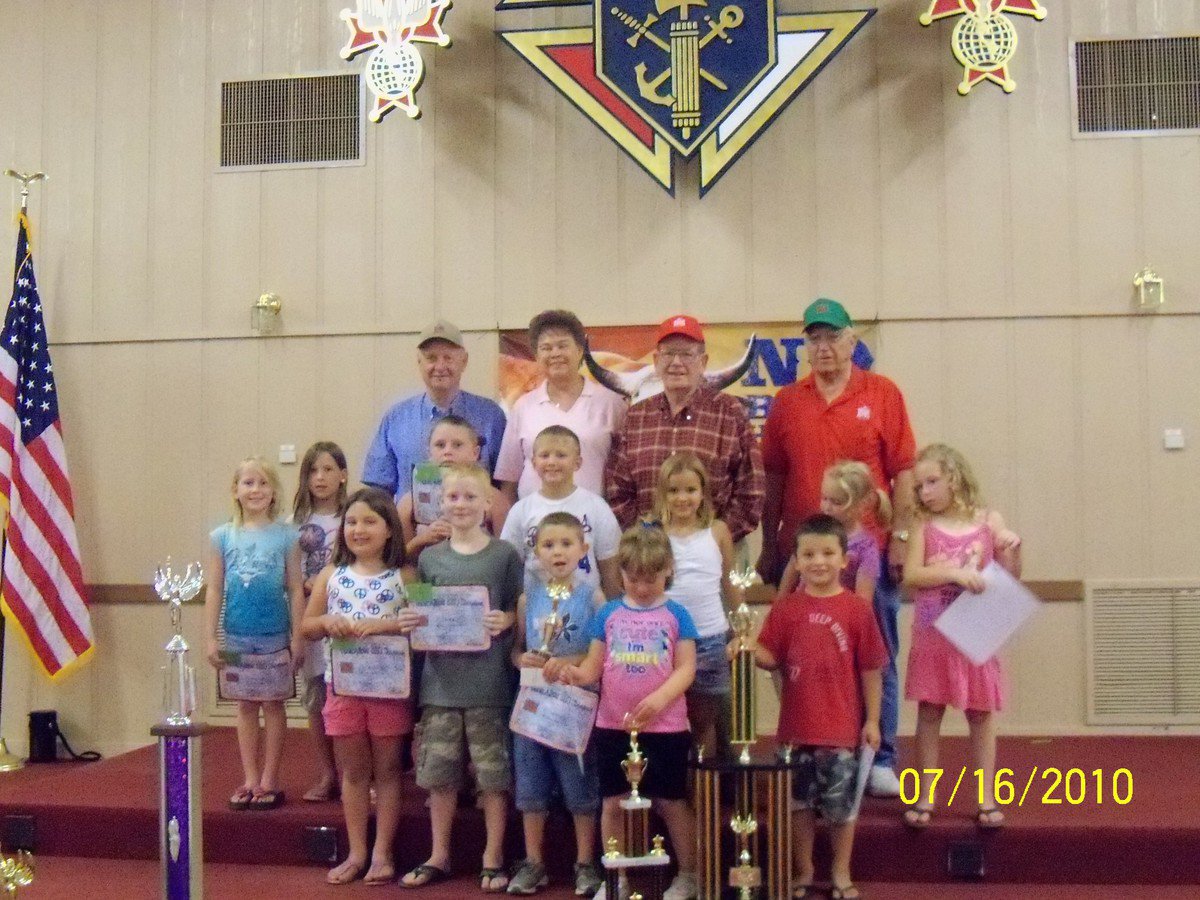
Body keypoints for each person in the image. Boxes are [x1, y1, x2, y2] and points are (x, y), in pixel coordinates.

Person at [758, 298, 916, 797]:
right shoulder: (787, 402)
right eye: (815, 338)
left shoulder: (883, 393)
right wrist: (769, 545)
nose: (824, 347)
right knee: (805, 654)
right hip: (806, 556)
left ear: (853, 341)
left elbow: (905, 471)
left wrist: (903, 538)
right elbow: (775, 478)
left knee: (875, 652)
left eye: (833, 337)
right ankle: (810, 746)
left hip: (868, 553)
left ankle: (881, 754)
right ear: (805, 346)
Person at [546, 526, 700, 900]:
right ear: (622, 575)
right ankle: (616, 875)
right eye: (633, 579)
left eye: (651, 579)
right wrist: (570, 673)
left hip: (665, 726)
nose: (642, 587)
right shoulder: (610, 613)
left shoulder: (677, 614)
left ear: (668, 571)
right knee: (612, 802)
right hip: (613, 723)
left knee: (669, 801)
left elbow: (686, 669)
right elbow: (592, 668)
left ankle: (690, 874)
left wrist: (660, 699)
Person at [400, 463, 523, 892]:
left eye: (471, 497)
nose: (462, 504)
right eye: (453, 497)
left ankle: (493, 855)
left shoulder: (505, 555)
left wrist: (506, 619)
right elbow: (416, 611)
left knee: (493, 775)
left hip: (490, 685)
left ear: (488, 503)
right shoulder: (429, 558)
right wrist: (412, 618)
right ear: (440, 502)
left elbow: (517, 608)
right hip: (440, 684)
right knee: (439, 775)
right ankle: (439, 852)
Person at [754, 515, 886, 900]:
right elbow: (768, 656)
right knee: (798, 805)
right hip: (795, 730)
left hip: (841, 729)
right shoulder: (786, 609)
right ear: (796, 560)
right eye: (808, 554)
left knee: (841, 808)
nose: (819, 561)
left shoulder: (858, 610)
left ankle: (840, 871)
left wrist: (873, 720)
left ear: (845, 560)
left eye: (828, 553)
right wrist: (745, 645)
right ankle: (805, 868)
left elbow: (872, 670)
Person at [901, 444, 1021, 831]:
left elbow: (1011, 574)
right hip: (934, 632)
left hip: (976, 629)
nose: (925, 492)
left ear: (954, 477)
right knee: (930, 711)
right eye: (919, 486)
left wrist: (1011, 545)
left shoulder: (988, 520)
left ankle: (987, 795)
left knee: (981, 713)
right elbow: (912, 576)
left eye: (932, 482)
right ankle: (926, 793)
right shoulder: (923, 527)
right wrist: (953, 574)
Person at [301, 487, 412, 885]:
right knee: (353, 772)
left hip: (388, 690)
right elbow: (308, 626)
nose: (358, 529)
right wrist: (326, 623)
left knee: (387, 771)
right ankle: (357, 851)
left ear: (389, 530)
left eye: (369, 521)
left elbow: (428, 619)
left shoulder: (406, 574)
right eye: (351, 522)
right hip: (342, 688)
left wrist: (385, 625)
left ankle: (382, 853)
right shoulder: (332, 575)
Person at [506, 512, 606, 896]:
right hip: (532, 702)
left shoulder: (592, 596)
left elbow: (601, 653)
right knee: (531, 783)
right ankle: (534, 862)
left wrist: (573, 663)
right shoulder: (527, 597)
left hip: (574, 703)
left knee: (578, 785)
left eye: (566, 544)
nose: (558, 552)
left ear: (583, 549)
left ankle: (585, 862)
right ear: (536, 552)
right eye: (548, 545)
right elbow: (517, 650)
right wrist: (523, 660)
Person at [605, 315, 763, 542]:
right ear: (657, 361)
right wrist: (647, 536)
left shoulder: (730, 412)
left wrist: (715, 537)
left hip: (717, 552)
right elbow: (616, 489)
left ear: (703, 362)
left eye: (687, 354)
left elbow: (752, 488)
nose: (676, 362)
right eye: (668, 354)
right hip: (650, 556)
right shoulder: (636, 416)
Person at [204, 457, 305, 811]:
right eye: (248, 483)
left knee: (274, 704)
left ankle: (269, 779)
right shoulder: (222, 537)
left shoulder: (286, 537)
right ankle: (249, 776)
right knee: (245, 705)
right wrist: (211, 637)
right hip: (237, 634)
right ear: (236, 490)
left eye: (263, 483)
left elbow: (295, 588)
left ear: (274, 490)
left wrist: (298, 636)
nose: (256, 490)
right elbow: (214, 589)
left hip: (275, 634)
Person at [648, 451, 742, 757]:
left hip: (709, 638)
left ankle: (706, 796)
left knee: (704, 721)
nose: (682, 498)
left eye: (690, 490)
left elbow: (730, 582)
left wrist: (741, 629)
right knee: (665, 721)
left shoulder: (718, 532)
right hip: (664, 641)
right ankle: (675, 793)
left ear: (703, 492)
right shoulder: (653, 533)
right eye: (673, 491)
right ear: (662, 494)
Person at [363, 319, 506, 500]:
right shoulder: (396, 419)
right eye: (431, 358)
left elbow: (506, 484)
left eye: (448, 358)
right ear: (419, 362)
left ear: (464, 361)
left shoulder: (491, 416)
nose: (440, 367)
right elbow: (378, 490)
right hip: (411, 526)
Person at [496, 310, 627, 501]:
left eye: (562, 346)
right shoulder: (523, 407)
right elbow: (509, 481)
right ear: (536, 355)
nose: (555, 353)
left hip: (593, 522)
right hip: (535, 523)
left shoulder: (610, 402)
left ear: (580, 350)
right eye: (546, 348)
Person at [500, 425, 622, 600]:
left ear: (577, 463)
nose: (552, 462)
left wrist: (612, 612)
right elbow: (511, 565)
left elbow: (609, 564)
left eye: (561, 455)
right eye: (544, 455)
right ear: (534, 463)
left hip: (586, 609)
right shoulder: (521, 510)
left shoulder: (596, 506)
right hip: (538, 611)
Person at [291, 441, 349, 804]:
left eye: (328, 469)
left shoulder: (353, 515)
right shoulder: (295, 525)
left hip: (347, 619)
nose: (321, 477)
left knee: (344, 697)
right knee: (316, 699)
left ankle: (353, 776)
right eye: (314, 471)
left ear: (343, 475)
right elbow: (290, 577)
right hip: (311, 621)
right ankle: (328, 772)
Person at [398, 414, 511, 558]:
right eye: (440, 445)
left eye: (457, 445)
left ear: (475, 453)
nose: (447, 451)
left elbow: (506, 555)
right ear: (429, 452)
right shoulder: (410, 502)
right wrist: (423, 539)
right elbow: (401, 560)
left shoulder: (493, 499)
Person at [777, 460, 891, 602]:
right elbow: (792, 568)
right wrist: (779, 603)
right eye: (824, 498)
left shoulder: (866, 547)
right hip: (805, 608)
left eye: (836, 502)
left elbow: (863, 600)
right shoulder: (813, 531)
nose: (827, 507)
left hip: (840, 613)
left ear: (862, 505)